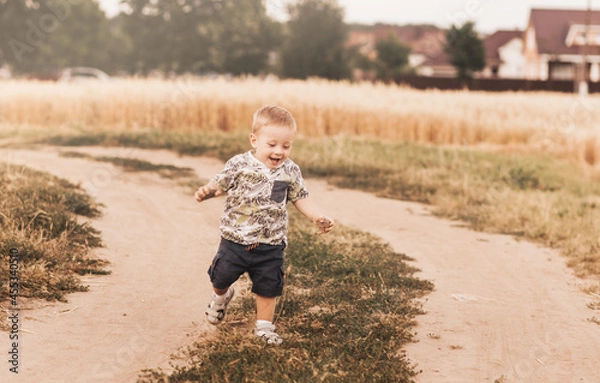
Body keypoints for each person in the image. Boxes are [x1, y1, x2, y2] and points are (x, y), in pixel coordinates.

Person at [194, 105, 335, 345]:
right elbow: (221, 184)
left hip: (271, 243)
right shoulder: (239, 164)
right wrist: (209, 191)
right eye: (272, 145)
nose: (279, 151)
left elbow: (300, 197)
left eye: (286, 146)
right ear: (254, 140)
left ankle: (264, 327)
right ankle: (221, 297)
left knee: (268, 286)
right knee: (220, 277)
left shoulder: (290, 170)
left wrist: (316, 216)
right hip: (235, 240)